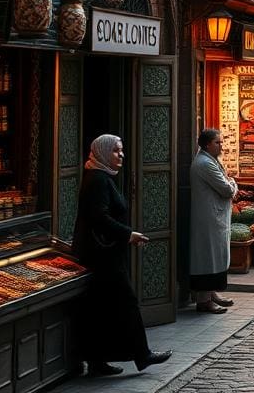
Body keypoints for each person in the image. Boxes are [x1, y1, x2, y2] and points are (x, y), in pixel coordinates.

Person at [73, 134, 171, 376]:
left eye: (121, 150)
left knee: (103, 309)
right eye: (117, 151)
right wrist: (128, 234)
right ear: (104, 152)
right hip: (103, 258)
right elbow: (99, 218)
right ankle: (142, 354)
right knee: (125, 302)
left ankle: (98, 360)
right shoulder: (97, 180)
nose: (121, 155)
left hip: (106, 255)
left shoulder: (101, 177)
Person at [190, 128, 237, 314]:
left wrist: (230, 184)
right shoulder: (204, 164)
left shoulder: (211, 160)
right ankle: (204, 300)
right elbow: (226, 188)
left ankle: (212, 293)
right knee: (208, 258)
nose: (222, 146)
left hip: (215, 217)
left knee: (216, 257)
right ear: (207, 144)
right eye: (218, 142)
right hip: (208, 219)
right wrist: (233, 184)